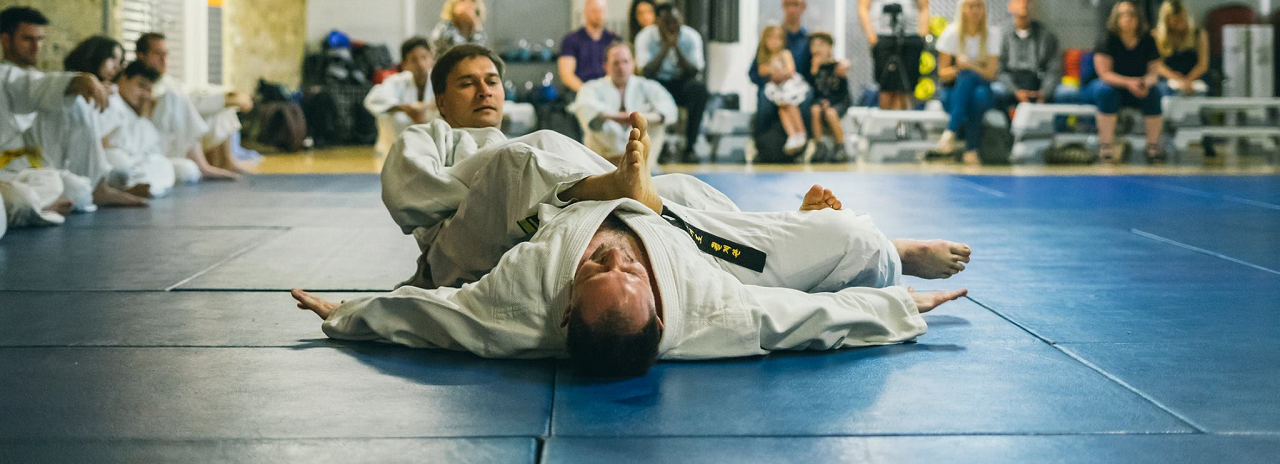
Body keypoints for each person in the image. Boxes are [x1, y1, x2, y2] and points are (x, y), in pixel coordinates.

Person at [294, 111, 972, 377]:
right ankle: (894, 250)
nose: (615, 256)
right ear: (659, 312)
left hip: (576, 199)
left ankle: (609, 186)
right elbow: (811, 324)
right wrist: (906, 306)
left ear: (563, 310)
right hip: (695, 240)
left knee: (532, 163)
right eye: (620, 270)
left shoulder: (520, 306)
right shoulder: (709, 316)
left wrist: (345, 313)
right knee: (852, 237)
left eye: (598, 268)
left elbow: (435, 318)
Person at [0, 6, 146, 212]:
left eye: (40, 40)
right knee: (22, 198)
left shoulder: (36, 77)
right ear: (6, 40)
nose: (36, 47)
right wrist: (79, 80)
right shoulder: (5, 75)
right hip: (6, 169)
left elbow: (38, 85)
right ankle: (40, 205)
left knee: (78, 191)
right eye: (28, 39)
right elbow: (31, 87)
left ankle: (92, 188)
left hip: (34, 168)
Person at [135, 32, 250, 180]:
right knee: (178, 100)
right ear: (141, 56)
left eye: (166, 54)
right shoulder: (137, 80)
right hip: (159, 136)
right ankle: (204, 167)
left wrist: (227, 99)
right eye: (157, 54)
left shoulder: (169, 81)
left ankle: (227, 161)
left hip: (178, 129)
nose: (164, 60)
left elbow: (193, 97)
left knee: (222, 109)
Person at [571, 42, 676, 168]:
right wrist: (614, 117)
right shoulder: (591, 88)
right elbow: (585, 108)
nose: (621, 68)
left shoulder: (648, 86)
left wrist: (639, 118)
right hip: (603, 163)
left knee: (656, 120)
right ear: (606, 66)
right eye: (616, 63)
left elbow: (669, 109)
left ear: (633, 64)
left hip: (644, 163)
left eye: (625, 62)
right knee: (595, 120)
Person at [1084, 1, 1164, 163]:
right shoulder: (1107, 39)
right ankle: (1106, 146)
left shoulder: (1147, 40)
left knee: (1154, 92)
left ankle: (1153, 147)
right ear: (1116, 18)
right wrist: (1129, 83)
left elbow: (1154, 73)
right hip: (1107, 85)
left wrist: (1144, 83)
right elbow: (1104, 74)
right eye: (1122, 14)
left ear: (1138, 18)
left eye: (1131, 14)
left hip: (1136, 87)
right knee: (1106, 92)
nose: (1127, 18)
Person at [635, 4, 708, 163]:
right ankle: (654, 146)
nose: (672, 27)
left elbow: (694, 71)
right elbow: (646, 71)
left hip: (682, 83)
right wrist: (666, 47)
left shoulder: (691, 37)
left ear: (681, 20)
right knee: (643, 89)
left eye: (675, 22)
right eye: (667, 23)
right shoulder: (645, 37)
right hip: (657, 82)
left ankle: (690, 148)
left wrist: (677, 49)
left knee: (699, 90)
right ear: (657, 21)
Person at [94, 61, 179, 199]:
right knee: (120, 168)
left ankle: (138, 187)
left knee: (168, 166)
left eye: (149, 90)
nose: (145, 95)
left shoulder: (135, 111)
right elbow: (99, 141)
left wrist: (143, 117)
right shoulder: (111, 100)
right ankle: (129, 187)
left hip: (135, 161)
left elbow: (152, 149)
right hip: (113, 158)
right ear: (123, 79)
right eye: (140, 86)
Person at [935, 0, 1000, 166]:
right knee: (973, 91)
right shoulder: (951, 34)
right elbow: (943, 74)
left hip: (982, 87)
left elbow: (991, 74)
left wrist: (969, 65)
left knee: (974, 85)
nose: (975, 10)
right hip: (953, 91)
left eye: (979, 6)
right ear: (962, 9)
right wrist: (959, 68)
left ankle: (950, 131)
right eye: (971, 6)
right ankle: (971, 150)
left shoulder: (992, 34)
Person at [364, 37, 437, 157]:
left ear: (432, 59)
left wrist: (425, 107)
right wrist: (406, 109)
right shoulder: (396, 82)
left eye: (424, 57)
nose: (420, 64)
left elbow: (451, 101)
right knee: (391, 116)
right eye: (414, 60)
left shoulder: (441, 81)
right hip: (398, 148)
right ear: (404, 64)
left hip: (434, 147)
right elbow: (373, 100)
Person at [858, 0, 929, 110]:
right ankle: (886, 124)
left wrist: (922, 35)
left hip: (910, 37)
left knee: (907, 87)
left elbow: (924, 6)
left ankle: (904, 123)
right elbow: (863, 7)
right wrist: (871, 36)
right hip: (882, 37)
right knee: (886, 87)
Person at [993, 0, 1065, 108]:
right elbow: (1000, 70)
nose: (1024, 5)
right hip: (1013, 85)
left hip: (1039, 84)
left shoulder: (1047, 36)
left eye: (1028, 1)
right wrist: (1015, 91)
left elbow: (1053, 70)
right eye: (1019, 1)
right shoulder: (1003, 36)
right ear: (1010, 6)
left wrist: (1044, 93)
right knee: (995, 91)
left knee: (1067, 93)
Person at [757, 25, 811, 155]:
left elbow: (790, 69)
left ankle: (801, 132)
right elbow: (761, 70)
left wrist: (780, 73)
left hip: (789, 86)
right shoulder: (765, 56)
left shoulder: (785, 53)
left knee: (791, 106)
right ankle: (793, 135)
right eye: (771, 38)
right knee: (782, 109)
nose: (774, 42)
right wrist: (772, 72)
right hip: (777, 89)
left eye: (778, 38)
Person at [558, 0, 621, 94]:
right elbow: (566, 75)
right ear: (585, 12)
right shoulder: (571, 40)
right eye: (594, 11)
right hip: (580, 92)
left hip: (609, 92)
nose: (599, 15)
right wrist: (586, 92)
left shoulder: (614, 40)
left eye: (601, 11)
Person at [807, 31, 852, 162]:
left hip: (838, 101)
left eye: (821, 45)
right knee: (815, 110)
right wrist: (814, 71)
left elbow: (842, 92)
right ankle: (819, 146)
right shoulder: (813, 68)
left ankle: (840, 147)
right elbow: (813, 91)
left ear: (829, 47)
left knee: (831, 113)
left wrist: (829, 102)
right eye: (814, 45)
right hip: (820, 102)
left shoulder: (838, 67)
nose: (817, 49)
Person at [1152, 0, 1208, 97]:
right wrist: (1177, 79)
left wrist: (1188, 80)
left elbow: (1202, 65)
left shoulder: (1198, 34)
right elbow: (1157, 66)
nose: (1179, 23)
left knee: (1201, 92)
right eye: (1175, 21)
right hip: (1168, 79)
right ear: (1167, 20)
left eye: (1182, 19)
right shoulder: (1156, 35)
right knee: (1165, 91)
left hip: (1194, 78)